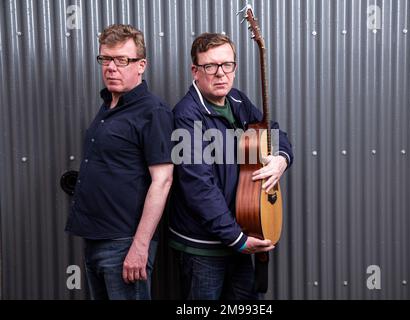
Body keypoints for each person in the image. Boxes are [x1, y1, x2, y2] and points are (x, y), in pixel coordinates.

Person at [169, 33, 293, 300]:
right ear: (195, 71)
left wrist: (282, 158)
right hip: (204, 247)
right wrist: (237, 239)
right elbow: (199, 188)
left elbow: (270, 131)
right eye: (210, 66)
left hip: (241, 235)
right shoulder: (187, 116)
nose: (220, 74)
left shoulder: (237, 102)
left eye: (228, 65)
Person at [65, 24, 174, 300]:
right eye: (105, 59)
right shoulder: (109, 105)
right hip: (95, 239)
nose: (111, 67)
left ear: (141, 65)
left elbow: (163, 181)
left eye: (122, 60)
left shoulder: (153, 111)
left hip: (124, 245)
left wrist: (140, 246)